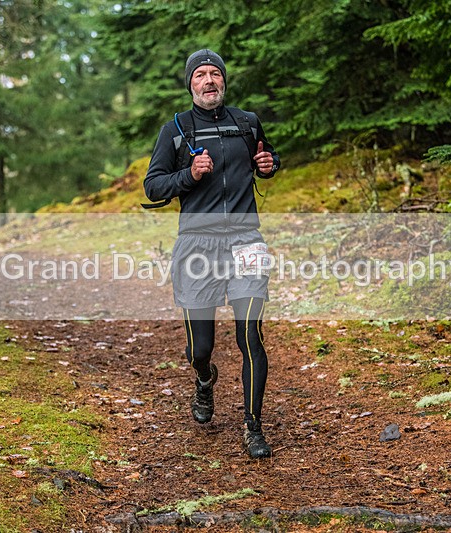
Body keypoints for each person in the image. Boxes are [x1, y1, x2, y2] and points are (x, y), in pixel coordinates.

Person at [143, 49, 280, 459]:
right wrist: (189, 175)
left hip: (245, 242)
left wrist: (269, 165)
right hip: (197, 247)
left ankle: (253, 427)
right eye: (200, 75)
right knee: (199, 348)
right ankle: (204, 381)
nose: (209, 81)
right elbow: (154, 186)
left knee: (249, 336)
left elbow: (266, 159)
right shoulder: (176, 129)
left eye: (215, 74)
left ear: (224, 81)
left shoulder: (246, 122)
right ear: (190, 84)